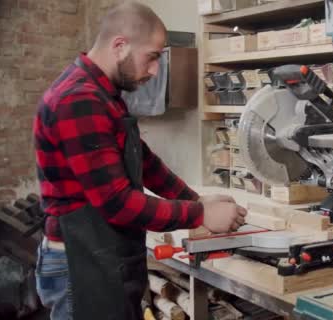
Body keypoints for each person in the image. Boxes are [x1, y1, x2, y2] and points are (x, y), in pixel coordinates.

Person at [32, 2, 247, 319]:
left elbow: (144, 161)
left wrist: (195, 199)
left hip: (102, 255)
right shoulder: (80, 99)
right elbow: (117, 203)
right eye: (153, 56)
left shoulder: (104, 94)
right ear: (119, 45)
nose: (155, 70)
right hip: (81, 266)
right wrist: (200, 213)